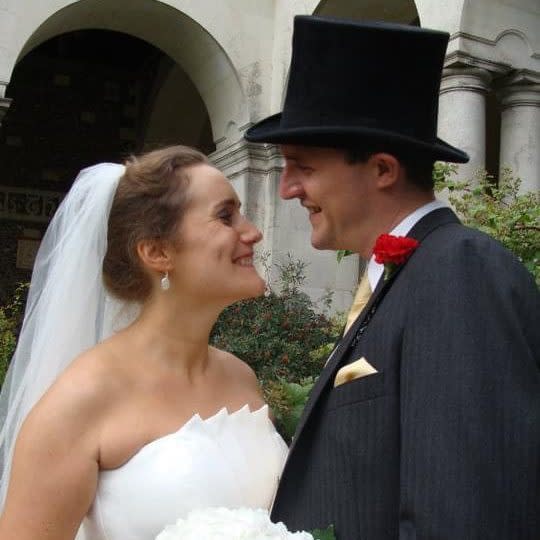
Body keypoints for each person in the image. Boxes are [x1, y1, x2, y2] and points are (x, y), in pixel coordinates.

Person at [245, 15, 540, 540]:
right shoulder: (407, 275)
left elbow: (465, 516)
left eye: (303, 166)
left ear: (383, 169)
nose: (288, 188)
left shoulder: (459, 272)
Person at [0, 145, 288, 540]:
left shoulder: (241, 377)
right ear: (157, 251)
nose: (252, 231)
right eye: (226, 216)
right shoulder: (81, 399)